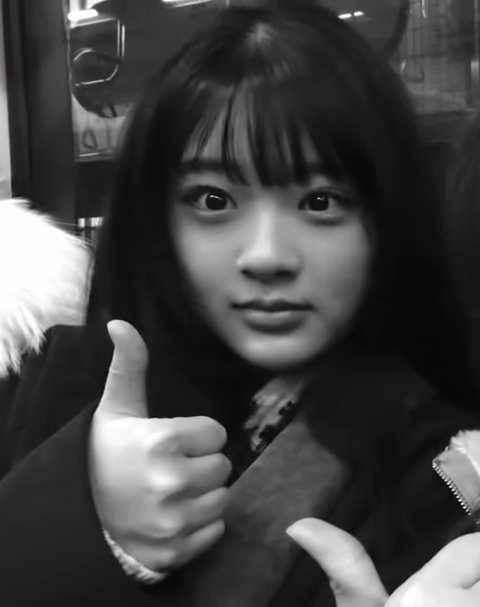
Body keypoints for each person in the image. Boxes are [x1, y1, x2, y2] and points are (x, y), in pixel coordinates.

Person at [0, 3, 479, 606]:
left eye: (322, 201)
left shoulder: (448, 475)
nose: (266, 255)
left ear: (389, 221)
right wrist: (79, 522)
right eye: (213, 199)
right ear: (156, 220)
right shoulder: (45, 382)